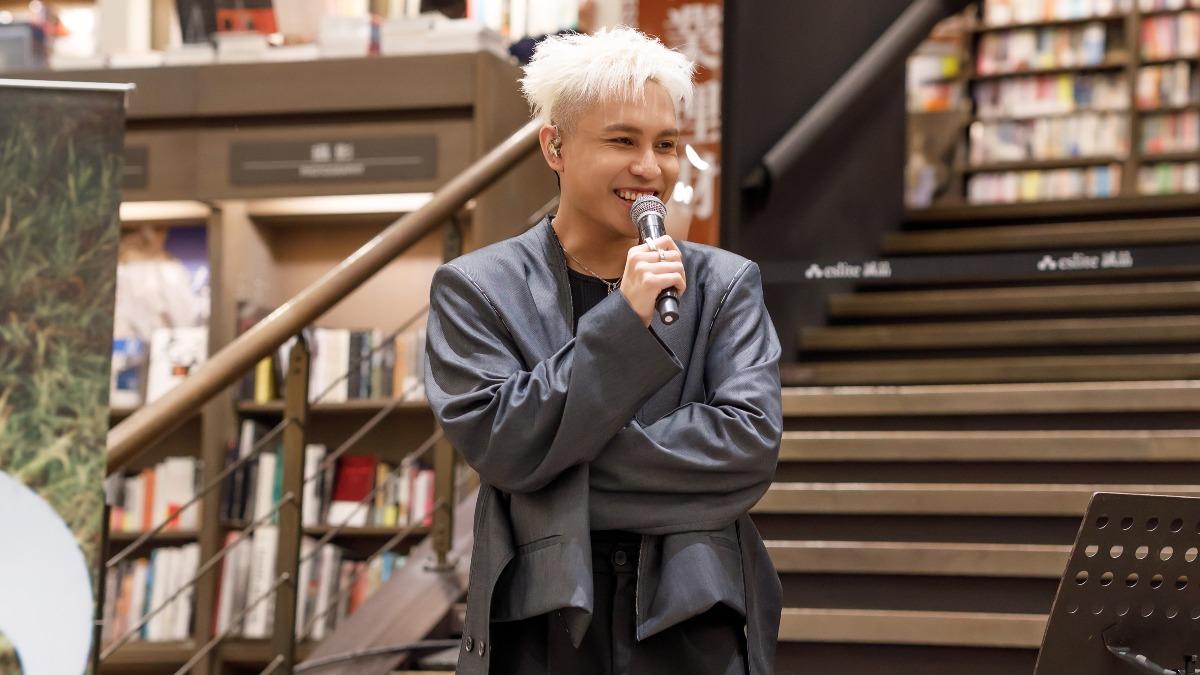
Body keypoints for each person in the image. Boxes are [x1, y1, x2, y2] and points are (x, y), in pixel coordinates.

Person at [423, 26, 783, 675]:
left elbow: (747, 445)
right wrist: (623, 319)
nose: (650, 168)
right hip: (541, 622)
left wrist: (550, 467)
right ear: (554, 146)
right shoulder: (477, 288)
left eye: (666, 144)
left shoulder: (726, 284)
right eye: (623, 141)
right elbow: (501, 441)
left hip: (696, 615)